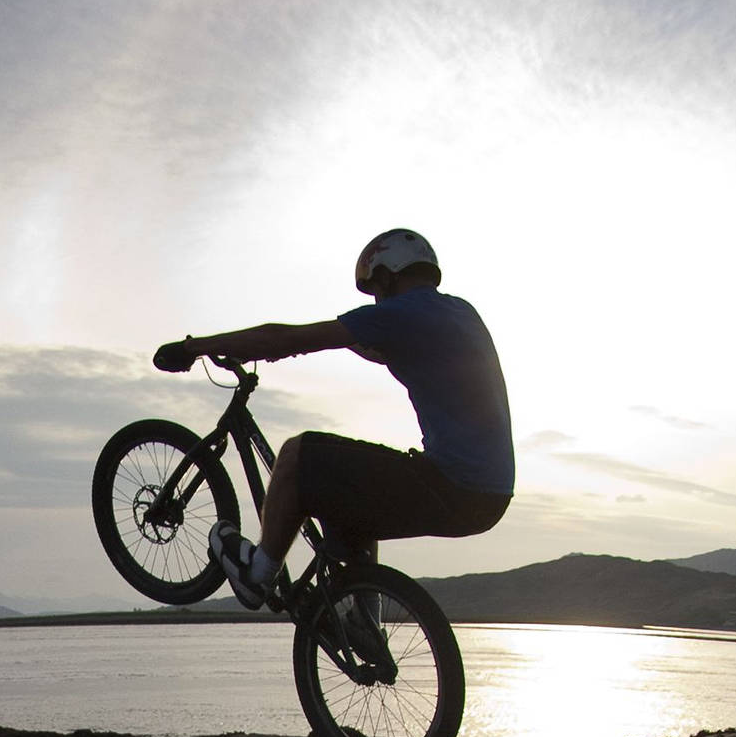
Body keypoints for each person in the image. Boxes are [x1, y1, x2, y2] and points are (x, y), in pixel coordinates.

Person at [154, 228, 514, 610]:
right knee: (351, 495)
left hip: (451, 484)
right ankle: (363, 618)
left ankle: (257, 574)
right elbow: (373, 347)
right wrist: (290, 345)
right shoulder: (460, 313)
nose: (376, 298)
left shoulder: (400, 313)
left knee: (298, 454)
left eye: (376, 288)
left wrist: (199, 347)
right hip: (489, 496)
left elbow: (288, 338)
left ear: (388, 275)